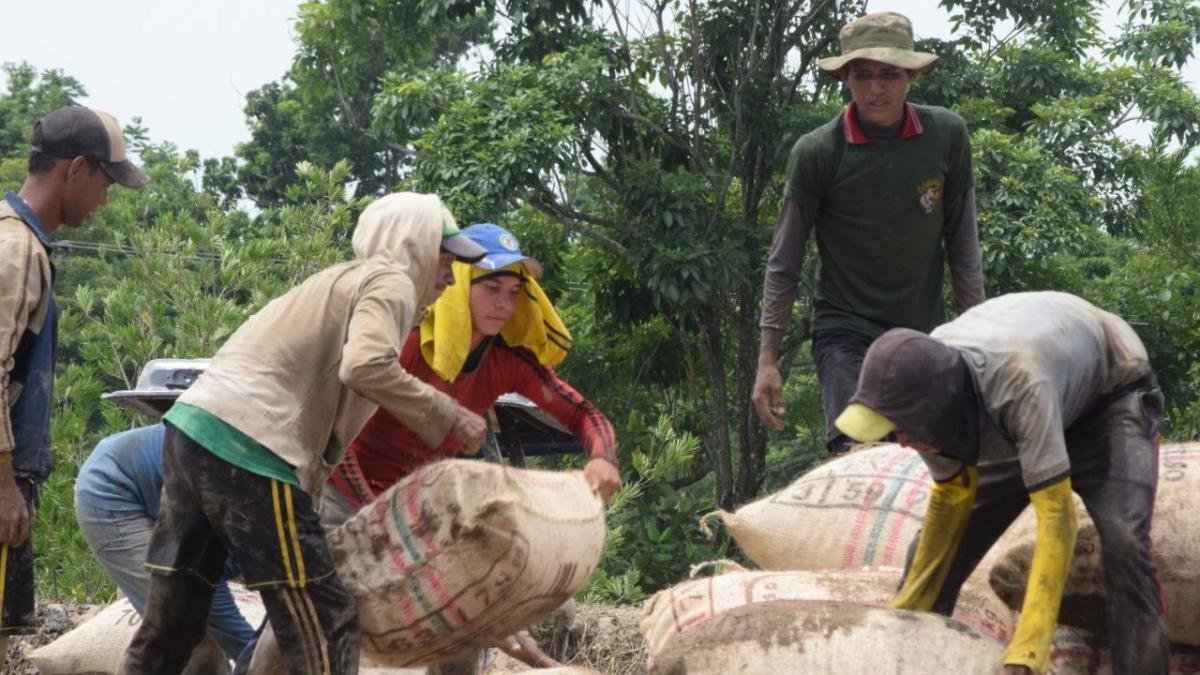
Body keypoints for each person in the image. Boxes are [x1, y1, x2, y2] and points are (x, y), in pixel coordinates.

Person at [119, 192, 490, 675]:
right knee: (326, 619)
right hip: (249, 449)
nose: (450, 274)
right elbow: (365, 365)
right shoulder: (391, 281)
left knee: (175, 619)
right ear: (414, 245)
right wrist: (448, 413)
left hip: (191, 431)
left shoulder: (339, 279)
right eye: (446, 258)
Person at [833, 291, 1168, 675]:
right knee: (935, 560)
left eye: (905, 429)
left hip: (1108, 395)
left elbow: (1057, 520)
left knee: (1126, 541)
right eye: (894, 430)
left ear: (936, 407)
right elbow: (952, 497)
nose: (902, 440)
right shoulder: (919, 393)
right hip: (1022, 410)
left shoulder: (1016, 382)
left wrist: (1027, 654)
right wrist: (907, 614)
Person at [752, 11, 985, 456]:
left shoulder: (946, 135)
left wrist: (977, 338)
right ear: (846, 79)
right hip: (847, 330)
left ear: (910, 76)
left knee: (941, 456)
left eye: (889, 75)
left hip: (924, 333)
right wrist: (768, 360)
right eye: (863, 76)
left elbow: (963, 246)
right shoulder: (818, 152)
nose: (876, 89)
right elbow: (784, 261)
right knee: (859, 452)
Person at [325, 222, 621, 526]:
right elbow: (330, 431)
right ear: (459, 282)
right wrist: (372, 511)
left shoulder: (509, 358)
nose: (504, 305)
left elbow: (582, 414)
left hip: (410, 512)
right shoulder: (405, 338)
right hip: (336, 493)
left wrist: (603, 457)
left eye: (514, 292)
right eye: (492, 289)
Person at [0, 106, 145, 662]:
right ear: (76, 169)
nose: (105, 199)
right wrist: (5, 483)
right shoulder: (17, 250)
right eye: (106, 183)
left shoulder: (22, 243)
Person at [75, 424, 255, 661]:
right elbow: (208, 587)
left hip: (151, 483)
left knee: (200, 635)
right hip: (111, 489)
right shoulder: (236, 487)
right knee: (178, 624)